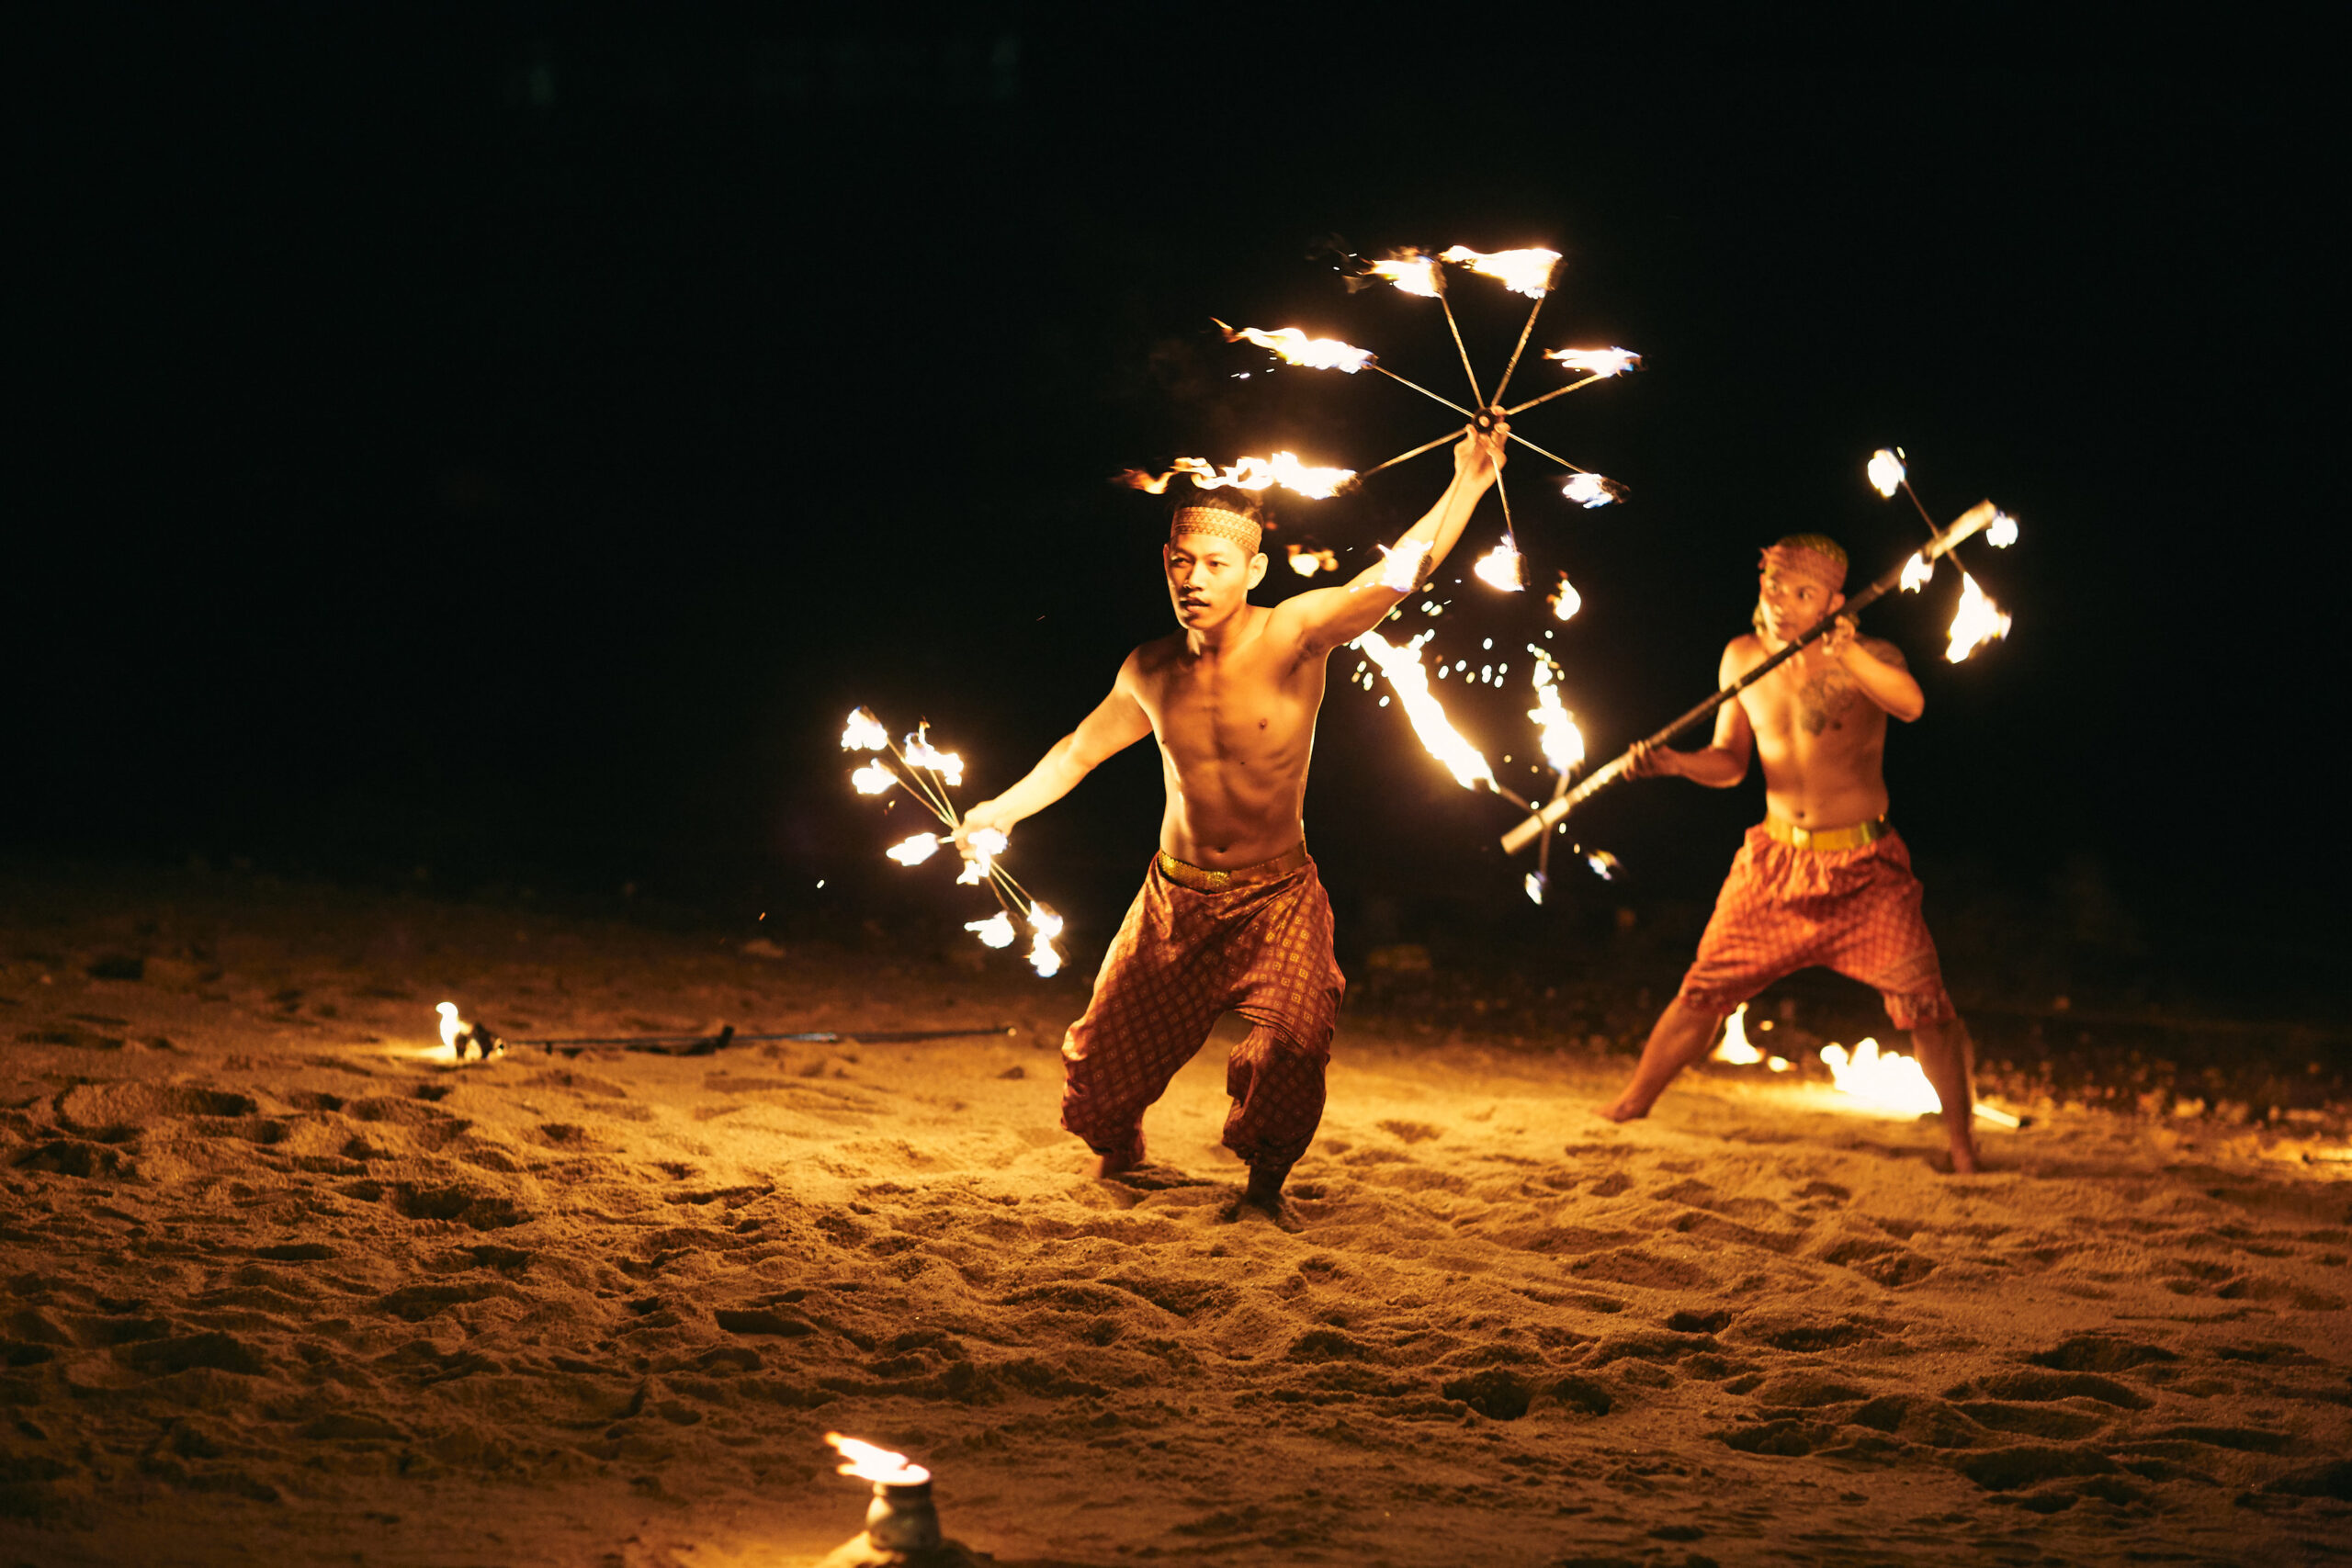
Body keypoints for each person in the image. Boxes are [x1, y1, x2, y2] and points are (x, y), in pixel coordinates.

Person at [956, 427, 1508, 1212]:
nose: (1194, 578)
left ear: (1253, 569)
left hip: (1276, 895)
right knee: (1102, 1060)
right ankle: (1121, 1158)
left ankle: (1262, 1190)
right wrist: (997, 812)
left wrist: (1470, 482)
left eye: (1215, 564)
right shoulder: (1149, 668)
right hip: (1173, 897)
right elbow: (1079, 750)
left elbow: (1399, 574)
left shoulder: (1295, 633)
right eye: (1181, 562)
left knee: (1293, 1041)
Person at [1601, 533, 1982, 1173]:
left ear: (1833, 599)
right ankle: (1633, 1103)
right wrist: (1672, 762)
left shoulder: (1871, 655)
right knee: (1702, 992)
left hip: (1865, 869)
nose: (1784, 601)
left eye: (1804, 592)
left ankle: (1964, 1149)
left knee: (1926, 1008)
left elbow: (1911, 705)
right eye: (1776, 585)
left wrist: (1847, 650)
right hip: (1775, 864)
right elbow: (1729, 763)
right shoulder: (1743, 656)